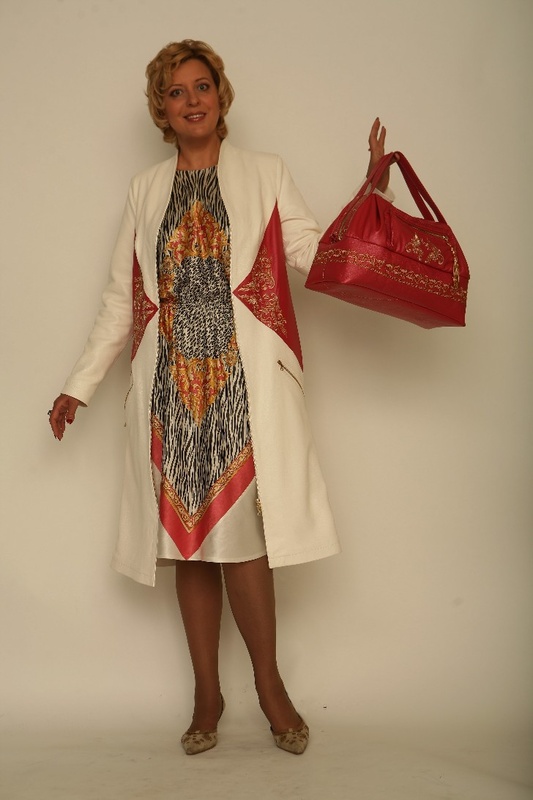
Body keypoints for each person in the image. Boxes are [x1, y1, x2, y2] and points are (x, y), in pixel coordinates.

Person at [49, 39, 389, 756]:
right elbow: (121, 300)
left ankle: (269, 687)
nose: (192, 100)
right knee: (190, 544)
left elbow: (313, 254)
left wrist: (369, 202)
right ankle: (207, 692)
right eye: (176, 92)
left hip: (241, 384)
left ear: (220, 96)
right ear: (161, 109)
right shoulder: (145, 190)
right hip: (171, 390)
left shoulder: (265, 173)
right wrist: (77, 385)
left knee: (245, 544)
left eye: (201, 86)